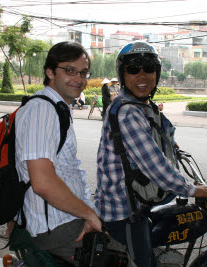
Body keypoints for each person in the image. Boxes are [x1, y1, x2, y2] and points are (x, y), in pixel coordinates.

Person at [94, 41, 207, 267]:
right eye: (133, 69)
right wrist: (194, 190)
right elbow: (155, 166)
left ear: (157, 72)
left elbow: (161, 137)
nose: (142, 75)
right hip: (123, 210)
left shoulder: (142, 105)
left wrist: (175, 150)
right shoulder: (128, 113)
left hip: (135, 199)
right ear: (123, 75)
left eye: (148, 68)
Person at [11, 41, 133, 266]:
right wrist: (88, 214)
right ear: (50, 72)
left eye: (83, 72)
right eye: (69, 70)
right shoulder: (42, 110)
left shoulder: (58, 108)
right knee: (122, 259)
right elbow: (43, 182)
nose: (79, 79)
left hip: (64, 216)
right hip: (56, 225)